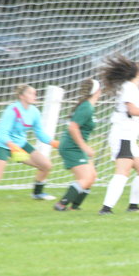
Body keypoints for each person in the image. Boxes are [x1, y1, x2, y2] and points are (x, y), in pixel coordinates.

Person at [0, 84, 59, 205]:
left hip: (20, 145)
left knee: (46, 165)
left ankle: (37, 193)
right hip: (3, 145)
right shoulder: (12, 109)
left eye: (35, 93)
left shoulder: (34, 112)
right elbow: (1, 133)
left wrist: (54, 143)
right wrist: (12, 146)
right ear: (21, 96)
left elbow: (40, 133)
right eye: (31, 93)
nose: (35, 95)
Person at [98, 55, 139, 215]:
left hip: (129, 137)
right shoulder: (129, 88)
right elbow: (132, 110)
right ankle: (106, 208)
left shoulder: (131, 88)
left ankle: (133, 206)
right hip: (123, 136)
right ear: (135, 73)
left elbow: (133, 113)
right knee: (123, 171)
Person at [53, 79, 102, 211]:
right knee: (86, 178)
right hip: (71, 147)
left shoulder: (88, 106)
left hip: (76, 146)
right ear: (96, 91)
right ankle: (61, 204)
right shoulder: (86, 107)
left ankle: (74, 207)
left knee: (92, 176)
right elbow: (73, 128)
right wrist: (84, 147)